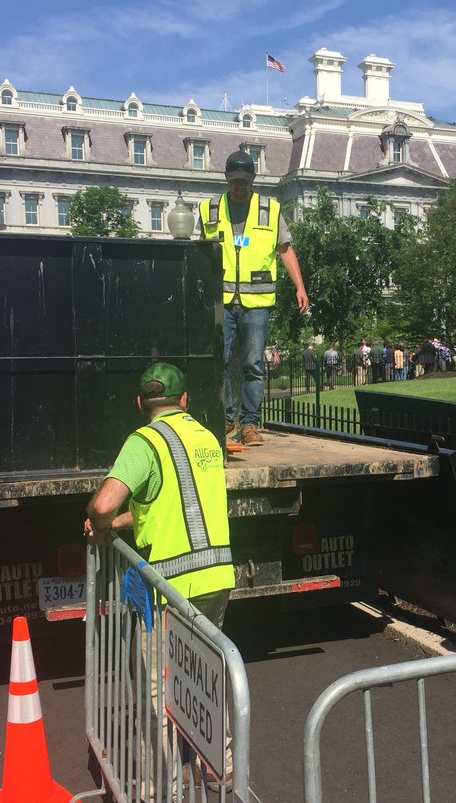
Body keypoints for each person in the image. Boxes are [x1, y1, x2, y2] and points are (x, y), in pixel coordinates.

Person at [84, 362, 234, 625]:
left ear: (139, 403)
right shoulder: (209, 438)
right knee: (208, 653)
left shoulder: (145, 441)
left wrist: (100, 525)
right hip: (217, 579)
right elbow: (173, 505)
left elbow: (102, 507)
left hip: (171, 588)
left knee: (157, 655)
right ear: (184, 399)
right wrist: (117, 523)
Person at [200, 150, 308, 447]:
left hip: (257, 302)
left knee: (253, 364)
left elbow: (285, 249)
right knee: (218, 361)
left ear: (253, 178)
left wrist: (300, 287)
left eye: (244, 180)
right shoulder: (209, 209)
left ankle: (249, 424)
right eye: (235, 180)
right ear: (226, 178)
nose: (240, 185)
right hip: (221, 300)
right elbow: (200, 252)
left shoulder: (270, 210)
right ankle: (225, 420)